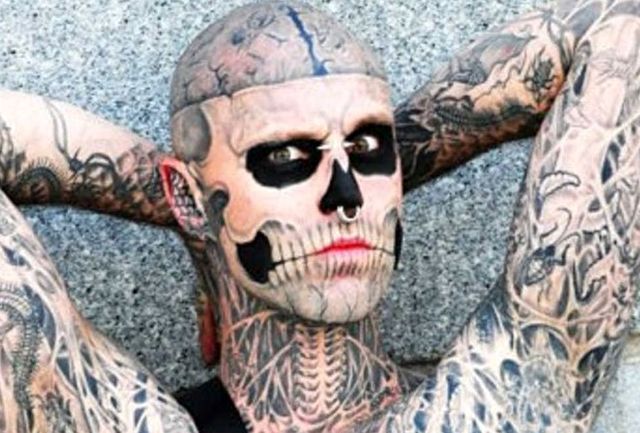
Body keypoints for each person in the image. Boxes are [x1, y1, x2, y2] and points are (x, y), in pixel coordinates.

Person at [0, 0, 637, 432]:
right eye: (283, 157)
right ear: (188, 196)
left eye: (368, 148)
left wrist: (223, 208)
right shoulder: (119, 418)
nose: (346, 194)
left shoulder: (494, 404)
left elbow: (616, 32)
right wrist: (199, 209)